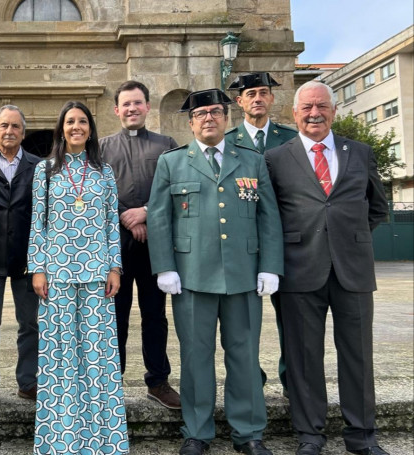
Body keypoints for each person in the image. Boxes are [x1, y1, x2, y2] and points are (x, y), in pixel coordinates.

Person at [147, 89, 283, 455]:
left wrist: (270, 266)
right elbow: (159, 218)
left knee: (244, 357)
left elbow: (269, 217)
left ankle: (249, 432)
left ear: (226, 118)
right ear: (190, 122)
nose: (209, 118)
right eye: (201, 113)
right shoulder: (172, 162)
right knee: (195, 357)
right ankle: (197, 431)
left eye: (215, 112)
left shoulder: (252, 160)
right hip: (191, 276)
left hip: (243, 275)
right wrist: (165, 267)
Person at [264, 81, 389, 455]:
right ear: (294, 113)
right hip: (300, 269)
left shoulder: (361, 153)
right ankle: (310, 435)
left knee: (358, 355)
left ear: (334, 111)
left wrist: (346, 238)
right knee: (303, 357)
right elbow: (270, 216)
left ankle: (362, 436)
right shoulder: (276, 158)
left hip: (353, 269)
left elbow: (378, 207)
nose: (314, 113)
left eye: (321, 106)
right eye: (307, 107)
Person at [29, 100, 128, 454]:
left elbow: (110, 223)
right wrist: (37, 266)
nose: (76, 127)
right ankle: (63, 437)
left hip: (97, 271)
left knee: (97, 354)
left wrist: (115, 266)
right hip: (56, 272)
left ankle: (103, 438)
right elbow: (37, 223)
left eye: (82, 121)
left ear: (90, 128)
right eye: (70, 121)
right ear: (61, 127)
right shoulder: (45, 170)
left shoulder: (104, 171)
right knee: (61, 355)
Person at [99, 80, 181, 409]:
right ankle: (109, 383)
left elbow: (175, 189)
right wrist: (125, 217)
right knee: (113, 317)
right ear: (116, 110)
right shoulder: (102, 148)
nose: (132, 108)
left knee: (155, 316)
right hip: (114, 248)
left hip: (155, 246)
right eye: (126, 104)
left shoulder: (167, 145)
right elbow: (97, 193)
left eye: (138, 103)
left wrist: (145, 212)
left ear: (148, 107)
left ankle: (158, 381)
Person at [226, 71, 298, 395]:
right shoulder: (227, 143)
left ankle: (292, 380)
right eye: (250, 93)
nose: (257, 98)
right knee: (243, 325)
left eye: (263, 92)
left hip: (290, 244)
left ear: (271, 98)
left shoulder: (292, 139)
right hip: (242, 247)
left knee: (292, 320)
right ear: (239, 101)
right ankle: (251, 380)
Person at [0, 105, 40, 406]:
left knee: (31, 323)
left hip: (28, 258)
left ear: (23, 133)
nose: (9, 131)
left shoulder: (41, 168)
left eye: (15, 126)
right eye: (4, 126)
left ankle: (29, 381)